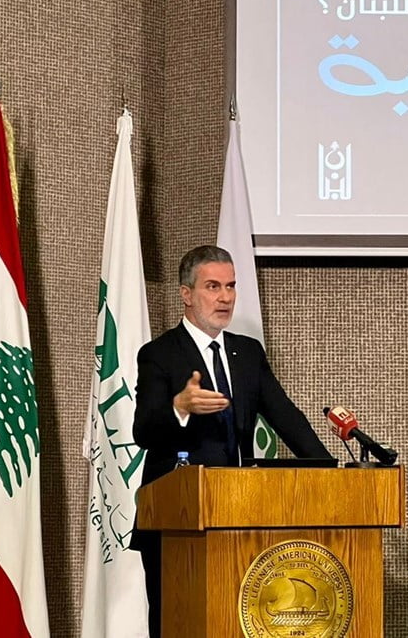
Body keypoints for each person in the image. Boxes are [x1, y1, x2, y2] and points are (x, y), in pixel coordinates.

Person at [130, 245, 333, 637]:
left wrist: (331, 471)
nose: (225, 297)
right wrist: (180, 407)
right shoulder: (159, 354)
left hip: (238, 516)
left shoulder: (247, 353)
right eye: (213, 286)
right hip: (176, 522)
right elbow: (144, 432)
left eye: (231, 286)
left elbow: (286, 418)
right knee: (178, 624)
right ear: (186, 294)